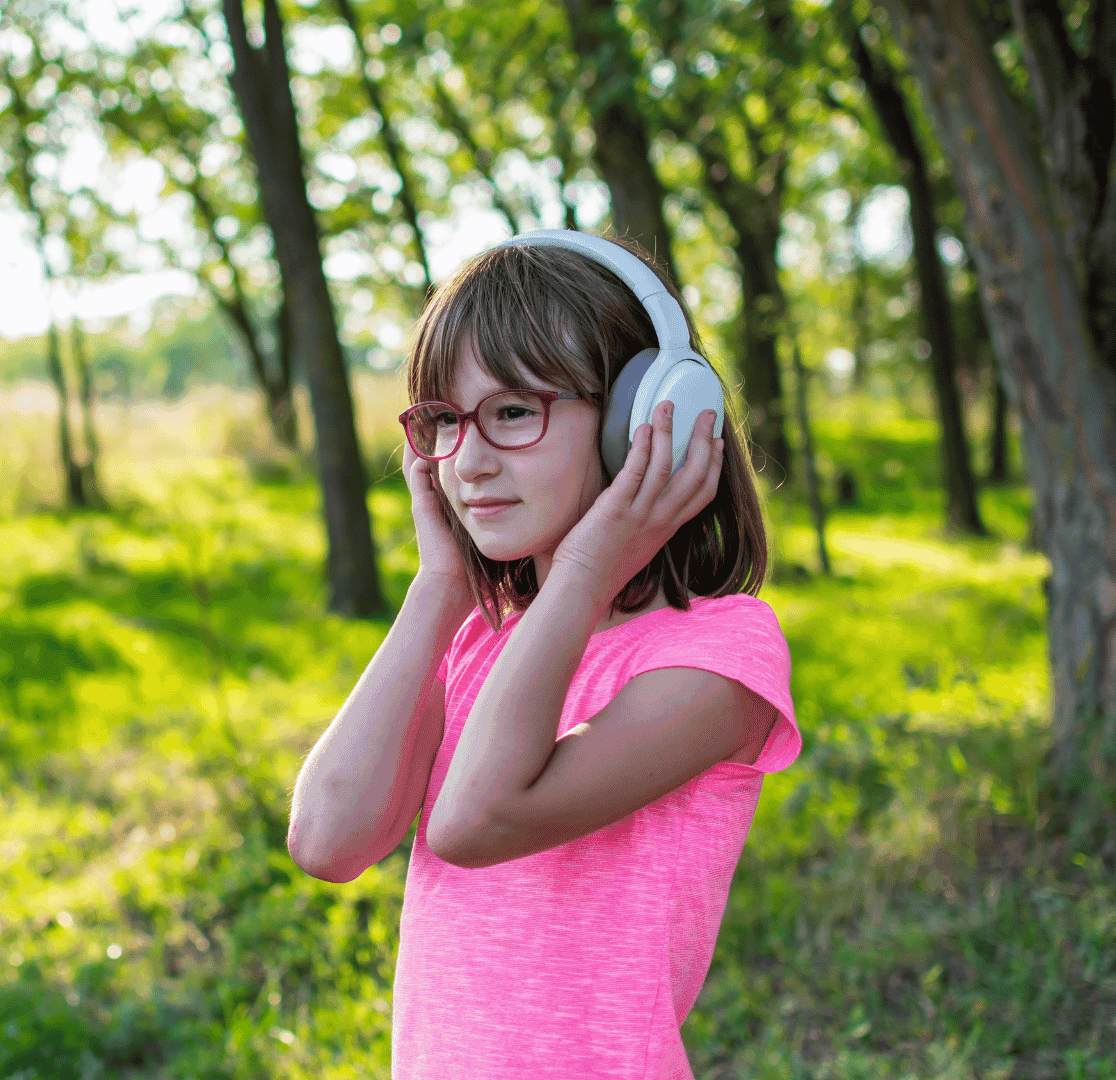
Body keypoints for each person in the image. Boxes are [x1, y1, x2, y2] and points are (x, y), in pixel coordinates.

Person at [286, 232, 799, 1078]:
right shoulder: (479, 635)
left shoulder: (719, 657)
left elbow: (472, 821)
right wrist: (439, 587)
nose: (471, 462)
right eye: (445, 421)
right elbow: (329, 840)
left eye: (515, 411)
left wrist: (590, 568)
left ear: (644, 421)